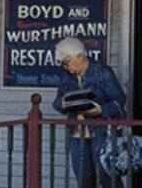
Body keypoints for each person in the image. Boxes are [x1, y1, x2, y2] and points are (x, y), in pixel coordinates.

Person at [52, 37, 126, 188]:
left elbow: (120, 100)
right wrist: (63, 103)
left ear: (79, 56)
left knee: (107, 177)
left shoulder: (102, 72)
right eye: (63, 64)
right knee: (83, 179)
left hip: (102, 133)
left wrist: (101, 110)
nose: (66, 67)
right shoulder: (68, 77)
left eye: (67, 62)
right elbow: (57, 103)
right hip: (77, 135)